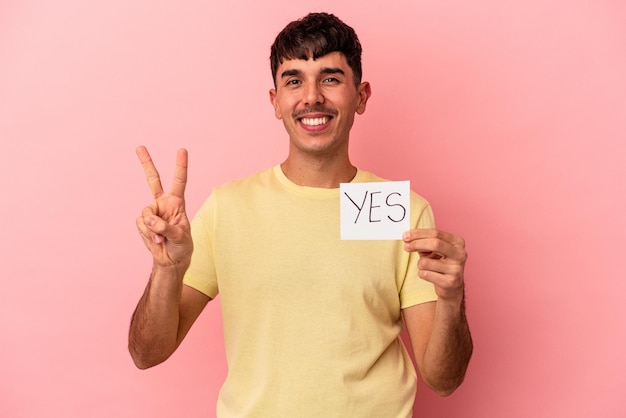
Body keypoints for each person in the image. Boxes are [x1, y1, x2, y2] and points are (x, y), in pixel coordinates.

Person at [129, 12, 472, 417]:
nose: (311, 97)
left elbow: (443, 381)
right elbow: (147, 354)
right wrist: (166, 270)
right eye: (294, 80)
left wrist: (452, 300)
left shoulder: (405, 212)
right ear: (275, 101)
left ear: (361, 96)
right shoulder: (228, 208)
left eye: (330, 78)